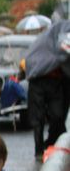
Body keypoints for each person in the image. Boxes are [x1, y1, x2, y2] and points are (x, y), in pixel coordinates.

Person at [25, 20, 70, 160]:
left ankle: (51, 142)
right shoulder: (61, 31)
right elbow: (64, 48)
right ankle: (38, 150)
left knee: (57, 115)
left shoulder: (57, 32)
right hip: (38, 81)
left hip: (55, 81)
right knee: (37, 119)